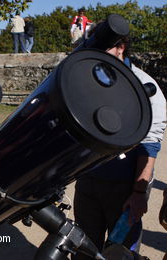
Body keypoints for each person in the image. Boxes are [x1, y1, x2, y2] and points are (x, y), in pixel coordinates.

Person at [73, 30, 167, 259]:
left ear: (121, 47)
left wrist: (138, 192)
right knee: (84, 249)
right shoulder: (91, 80)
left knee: (120, 252)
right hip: (88, 183)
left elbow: (150, 144)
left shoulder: (144, 85)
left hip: (124, 188)